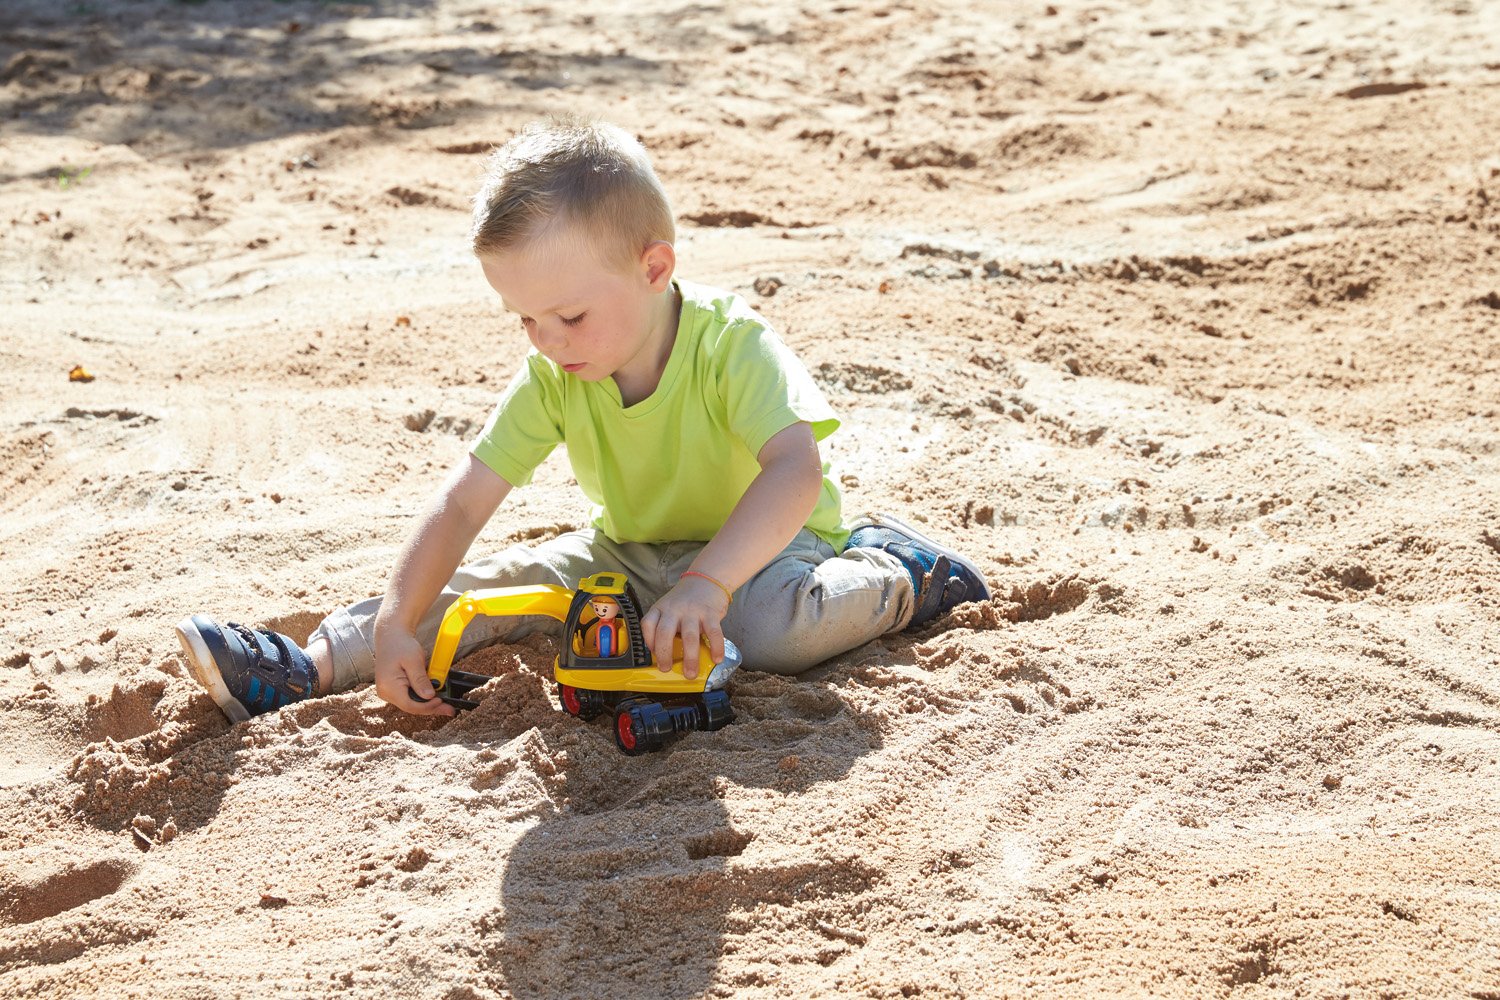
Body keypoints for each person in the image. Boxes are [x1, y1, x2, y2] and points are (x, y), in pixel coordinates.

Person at [174, 116, 990, 724]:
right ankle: (306, 665)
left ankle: (902, 575)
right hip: (627, 557)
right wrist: (394, 621)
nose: (546, 341)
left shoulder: (731, 344)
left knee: (770, 630)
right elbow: (464, 501)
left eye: (567, 316)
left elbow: (793, 469)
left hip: (766, 552)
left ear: (654, 267)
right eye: (524, 320)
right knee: (486, 593)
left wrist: (709, 581)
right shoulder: (556, 373)